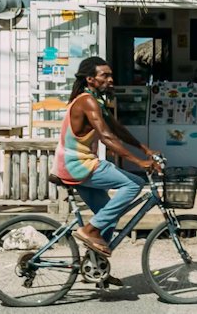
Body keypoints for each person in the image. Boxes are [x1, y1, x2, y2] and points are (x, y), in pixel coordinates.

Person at [53, 56, 161, 258]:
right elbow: (106, 136)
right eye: (105, 75)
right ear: (90, 79)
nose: (110, 79)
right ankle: (89, 230)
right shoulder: (87, 101)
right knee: (134, 184)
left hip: (75, 165)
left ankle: (96, 267)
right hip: (78, 165)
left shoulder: (95, 100)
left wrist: (144, 148)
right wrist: (139, 162)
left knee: (108, 217)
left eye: (111, 75)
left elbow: (116, 129)